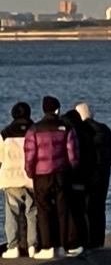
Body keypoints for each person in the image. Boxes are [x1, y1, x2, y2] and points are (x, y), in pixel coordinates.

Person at [24, 96, 80, 259]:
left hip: (41, 174)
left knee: (43, 210)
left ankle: (47, 246)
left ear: (43, 110)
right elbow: (73, 152)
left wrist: (30, 172)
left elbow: (30, 154)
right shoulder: (66, 127)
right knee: (62, 210)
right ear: (57, 110)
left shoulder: (34, 129)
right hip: (62, 173)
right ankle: (62, 246)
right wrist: (72, 168)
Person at [74, 103, 111, 249]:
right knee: (99, 207)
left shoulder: (80, 131)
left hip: (87, 174)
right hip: (104, 173)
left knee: (85, 208)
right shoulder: (105, 129)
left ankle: (87, 240)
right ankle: (99, 240)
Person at [1, 102, 37, 259]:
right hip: (31, 178)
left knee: (12, 213)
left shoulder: (5, 134)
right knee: (32, 213)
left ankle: (13, 246)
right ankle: (32, 246)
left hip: (11, 178)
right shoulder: (35, 131)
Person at [61, 109, 95, 252]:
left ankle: (72, 242)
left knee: (70, 212)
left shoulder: (69, 136)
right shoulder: (87, 136)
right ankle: (84, 241)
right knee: (81, 212)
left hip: (71, 178)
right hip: (84, 179)